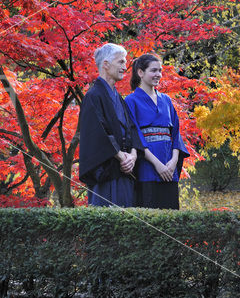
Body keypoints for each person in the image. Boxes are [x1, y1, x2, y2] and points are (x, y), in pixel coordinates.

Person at [79, 43, 143, 207]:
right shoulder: (93, 95)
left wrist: (133, 156)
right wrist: (121, 156)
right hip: (106, 171)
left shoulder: (119, 98)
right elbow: (97, 133)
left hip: (125, 170)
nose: (125, 67)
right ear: (105, 65)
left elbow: (132, 129)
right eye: (121, 62)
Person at [125, 54, 190, 209]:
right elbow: (135, 136)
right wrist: (157, 164)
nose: (158, 74)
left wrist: (173, 162)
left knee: (171, 218)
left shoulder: (166, 100)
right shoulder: (131, 101)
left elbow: (176, 133)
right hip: (147, 170)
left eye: (160, 70)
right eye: (153, 70)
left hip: (169, 168)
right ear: (140, 72)